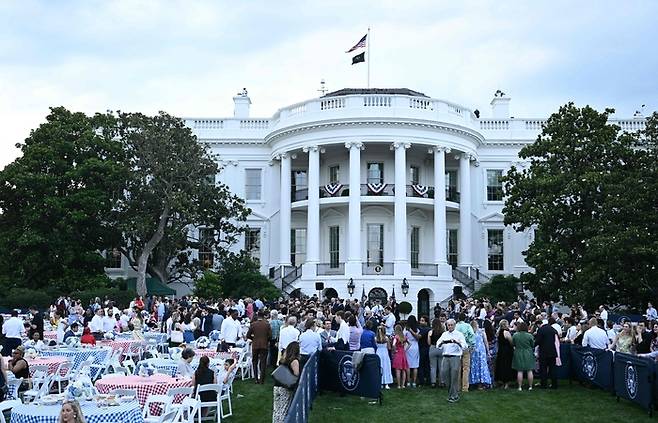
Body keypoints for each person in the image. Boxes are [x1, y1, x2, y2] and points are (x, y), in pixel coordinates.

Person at [436, 319, 467, 403]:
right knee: (445, 375)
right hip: (445, 357)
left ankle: (454, 396)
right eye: (448, 325)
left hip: (455, 357)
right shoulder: (444, 334)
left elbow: (465, 346)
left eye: (451, 325)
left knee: (454, 376)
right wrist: (442, 343)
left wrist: (458, 343)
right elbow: (438, 344)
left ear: (454, 325)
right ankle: (451, 393)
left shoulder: (459, 334)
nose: (450, 327)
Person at [273, 341, 300, 423]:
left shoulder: (283, 359)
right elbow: (296, 374)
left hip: (277, 386)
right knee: (283, 410)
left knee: (276, 410)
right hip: (285, 388)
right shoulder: (294, 361)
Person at [246, 310, 272, 384]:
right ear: (264, 316)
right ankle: (262, 380)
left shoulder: (253, 324)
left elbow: (248, 335)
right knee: (263, 362)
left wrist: (253, 339)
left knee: (255, 361)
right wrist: (266, 340)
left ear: (257, 316)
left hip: (255, 345)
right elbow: (270, 336)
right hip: (264, 345)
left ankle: (256, 379)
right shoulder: (267, 324)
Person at [535, 319, 559, 389]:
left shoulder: (541, 330)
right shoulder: (553, 330)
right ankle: (554, 385)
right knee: (553, 369)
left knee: (543, 369)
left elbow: (538, 341)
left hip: (543, 352)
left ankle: (543, 384)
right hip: (552, 351)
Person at [469, 319, 491, 389]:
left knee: (474, 366)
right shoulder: (481, 332)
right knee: (481, 366)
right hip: (481, 351)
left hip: (473, 351)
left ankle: (473, 381)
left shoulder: (471, 332)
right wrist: (488, 351)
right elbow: (486, 342)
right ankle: (481, 383)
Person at [512, 322, 535, 391]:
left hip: (518, 352)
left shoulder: (515, 335)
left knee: (520, 371)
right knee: (529, 370)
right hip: (528, 353)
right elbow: (532, 344)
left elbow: (513, 344)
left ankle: (519, 387)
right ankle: (530, 386)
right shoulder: (529, 335)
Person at [455, 313, 475, 392]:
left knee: (458, 367)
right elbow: (472, 335)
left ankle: (457, 386)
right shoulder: (467, 326)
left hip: (457, 347)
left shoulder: (456, 326)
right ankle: (465, 387)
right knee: (466, 368)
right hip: (466, 346)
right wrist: (471, 344)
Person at [495, 319, 515, 389]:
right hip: (507, 351)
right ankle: (506, 383)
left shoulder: (498, 332)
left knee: (501, 366)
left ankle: (501, 382)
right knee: (507, 366)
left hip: (501, 350)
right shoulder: (506, 332)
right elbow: (511, 342)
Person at [427, 318, 445, 388]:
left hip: (433, 348)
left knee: (433, 367)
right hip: (440, 349)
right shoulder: (442, 332)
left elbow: (428, 342)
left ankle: (433, 382)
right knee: (441, 367)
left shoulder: (430, 332)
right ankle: (442, 382)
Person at [404, 316, 420, 387]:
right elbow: (417, 337)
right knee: (415, 365)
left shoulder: (406, 329)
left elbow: (403, 338)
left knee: (408, 365)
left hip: (408, 346)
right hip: (415, 346)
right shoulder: (417, 329)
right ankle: (414, 382)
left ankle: (408, 381)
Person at [391, 324, 409, 389]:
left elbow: (393, 345)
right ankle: (403, 385)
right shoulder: (404, 337)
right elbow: (409, 343)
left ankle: (398, 385)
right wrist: (405, 349)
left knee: (398, 370)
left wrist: (394, 350)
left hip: (398, 353)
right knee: (404, 369)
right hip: (403, 353)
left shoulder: (396, 337)